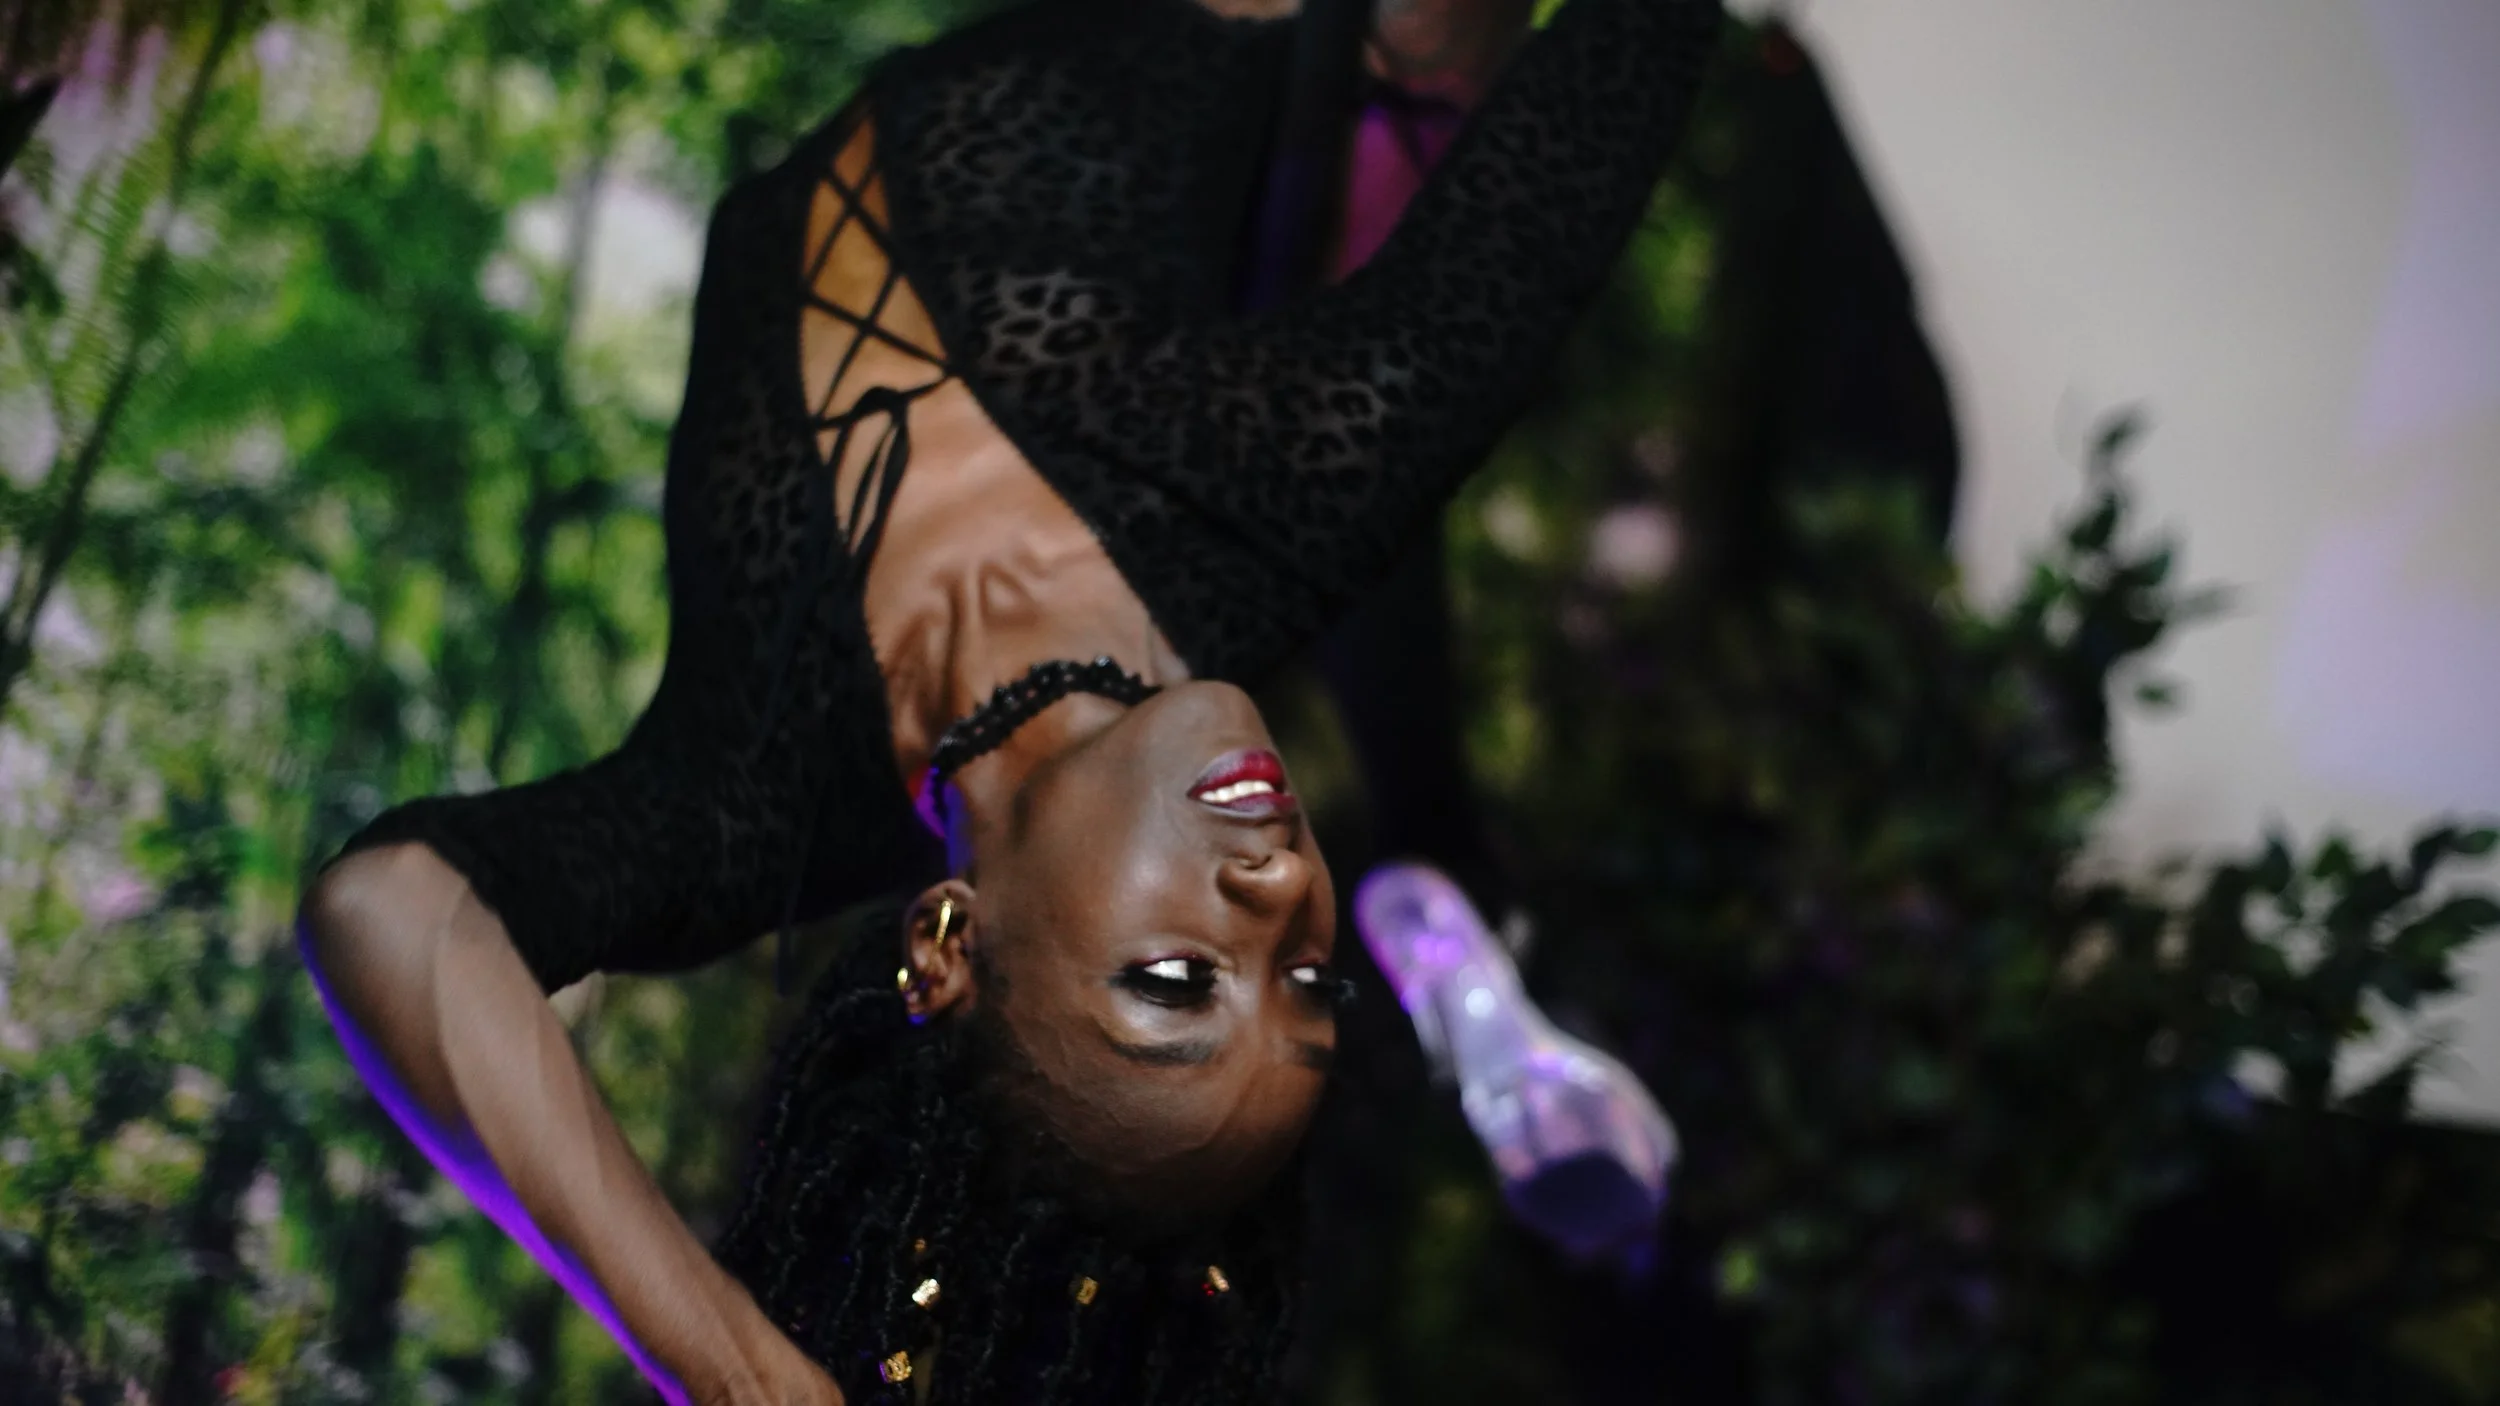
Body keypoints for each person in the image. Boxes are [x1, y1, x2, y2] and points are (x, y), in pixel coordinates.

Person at [297, 0, 1724, 1400]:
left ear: (949, 946)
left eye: (1179, 982)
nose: (1287, 890)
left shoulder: (755, 794)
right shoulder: (1295, 500)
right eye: (1308, 980)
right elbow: (1622, 63)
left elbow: (390, 911)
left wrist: (741, 1381)